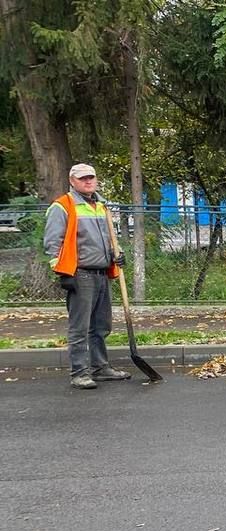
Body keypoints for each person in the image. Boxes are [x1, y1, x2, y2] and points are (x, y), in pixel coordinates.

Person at [43, 163, 129, 390]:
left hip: (102, 273)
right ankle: (79, 373)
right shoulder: (63, 206)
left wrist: (118, 254)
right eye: (82, 178)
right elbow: (53, 243)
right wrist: (62, 272)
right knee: (79, 327)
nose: (88, 181)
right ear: (72, 181)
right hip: (80, 274)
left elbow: (109, 238)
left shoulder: (101, 206)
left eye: (91, 177)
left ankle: (100, 368)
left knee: (101, 326)